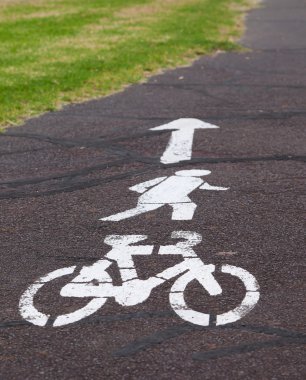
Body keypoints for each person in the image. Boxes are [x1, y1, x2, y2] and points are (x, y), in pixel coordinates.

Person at [100, 169, 228, 221]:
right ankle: (112, 219)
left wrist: (222, 188)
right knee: (142, 209)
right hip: (156, 196)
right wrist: (141, 189)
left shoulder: (197, 180)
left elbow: (140, 186)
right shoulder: (195, 180)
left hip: (171, 197)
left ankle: (180, 224)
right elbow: (141, 185)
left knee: (187, 206)